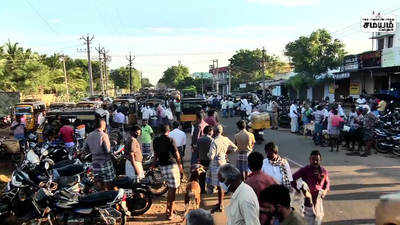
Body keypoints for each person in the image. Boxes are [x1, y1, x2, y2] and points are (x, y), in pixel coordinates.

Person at [152, 124, 184, 220]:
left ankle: (170, 210)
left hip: (162, 167)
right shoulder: (170, 140)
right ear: (168, 131)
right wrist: (181, 166)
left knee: (170, 188)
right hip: (171, 166)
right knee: (172, 189)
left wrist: (153, 165)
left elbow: (155, 155)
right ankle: (169, 212)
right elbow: (177, 155)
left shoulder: (155, 140)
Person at [292, 150, 330, 225]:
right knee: (307, 221)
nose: (315, 162)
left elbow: (327, 183)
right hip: (307, 202)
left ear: (320, 160)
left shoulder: (324, 171)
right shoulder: (304, 170)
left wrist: (325, 191)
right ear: (310, 159)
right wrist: (298, 189)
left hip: (318, 200)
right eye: (313, 160)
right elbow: (292, 179)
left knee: (318, 219)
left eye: (317, 160)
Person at [207, 125, 238, 213]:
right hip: (223, 163)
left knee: (219, 185)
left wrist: (207, 154)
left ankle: (220, 204)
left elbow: (211, 157)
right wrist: (226, 153)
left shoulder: (214, 142)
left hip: (216, 165)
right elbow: (235, 148)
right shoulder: (226, 139)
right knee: (221, 184)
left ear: (215, 132)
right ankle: (220, 202)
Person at [245, 151, 277, 225]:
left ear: (249, 165)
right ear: (262, 164)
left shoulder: (248, 183)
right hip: (271, 218)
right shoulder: (270, 179)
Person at [85, 119, 114, 190]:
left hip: (95, 162)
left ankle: (100, 195)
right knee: (109, 182)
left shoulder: (89, 135)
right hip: (105, 162)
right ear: (103, 126)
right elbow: (108, 150)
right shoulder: (104, 135)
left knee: (98, 181)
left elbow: (86, 149)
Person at [196, 125, 214, 194]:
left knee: (202, 175)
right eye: (212, 131)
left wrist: (198, 158)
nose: (212, 132)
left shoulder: (199, 139)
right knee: (210, 175)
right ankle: (210, 190)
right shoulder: (211, 140)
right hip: (209, 159)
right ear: (209, 131)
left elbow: (197, 150)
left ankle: (202, 189)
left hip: (201, 159)